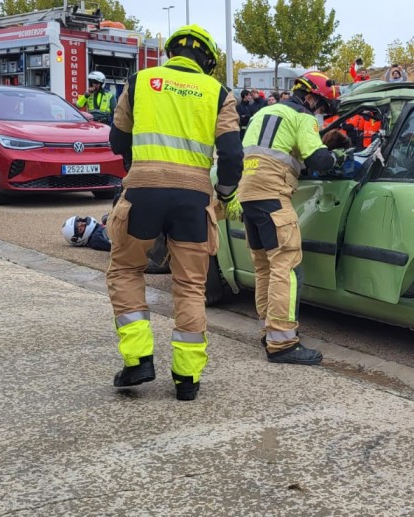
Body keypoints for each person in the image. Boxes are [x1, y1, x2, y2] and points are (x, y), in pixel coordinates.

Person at [105, 24, 243, 401]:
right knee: (190, 285)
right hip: (193, 200)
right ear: (209, 62)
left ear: (171, 53)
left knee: (126, 269)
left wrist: (140, 169)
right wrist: (225, 195)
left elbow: (117, 138)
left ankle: (138, 361)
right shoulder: (218, 93)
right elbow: (231, 156)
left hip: (143, 192)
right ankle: (187, 378)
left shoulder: (140, 81)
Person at [237, 71, 343, 365]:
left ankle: (269, 331)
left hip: (248, 193)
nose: (320, 115)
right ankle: (283, 343)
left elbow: (278, 152)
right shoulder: (302, 117)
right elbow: (319, 160)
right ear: (310, 97)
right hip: (272, 194)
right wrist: (338, 155)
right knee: (286, 266)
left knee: (265, 268)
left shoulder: (265, 111)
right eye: (321, 108)